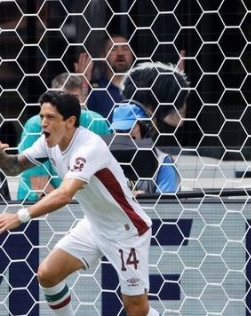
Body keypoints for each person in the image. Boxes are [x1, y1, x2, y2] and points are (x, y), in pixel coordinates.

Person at [0, 90, 193, 316]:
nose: (43, 122)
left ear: (70, 121)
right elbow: (13, 167)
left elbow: (64, 195)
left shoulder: (88, 148)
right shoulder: (49, 143)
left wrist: (20, 216)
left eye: (50, 118)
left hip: (126, 230)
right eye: (41, 116)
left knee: (136, 310)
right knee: (47, 274)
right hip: (94, 223)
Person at [16, 73, 111, 202]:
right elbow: (39, 184)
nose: (68, 106)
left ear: (85, 98)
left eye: (75, 99)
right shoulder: (36, 125)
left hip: (84, 203)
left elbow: (106, 172)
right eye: (62, 101)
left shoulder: (97, 122)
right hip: (39, 204)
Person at [106, 61, 190, 195]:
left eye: (129, 128)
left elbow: (167, 209)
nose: (123, 134)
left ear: (144, 127)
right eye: (118, 130)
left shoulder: (162, 163)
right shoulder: (104, 162)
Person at [79, 33, 135, 119]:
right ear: (103, 57)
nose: (120, 53)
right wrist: (83, 82)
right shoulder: (93, 89)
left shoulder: (141, 88)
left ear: (132, 55)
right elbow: (82, 119)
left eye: (125, 48)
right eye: (113, 49)